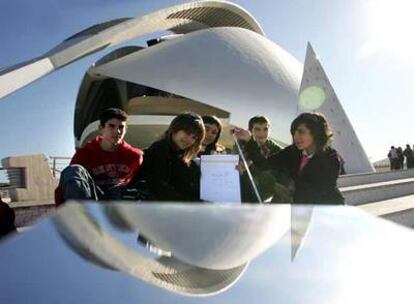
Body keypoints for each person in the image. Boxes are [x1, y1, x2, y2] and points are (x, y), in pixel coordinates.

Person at [233, 112, 344, 205]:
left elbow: (316, 190)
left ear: (315, 133)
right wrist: (250, 141)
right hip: (299, 208)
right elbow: (265, 164)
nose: (295, 137)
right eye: (294, 132)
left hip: (325, 209)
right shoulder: (293, 151)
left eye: (301, 132)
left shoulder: (331, 158)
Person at [56, 108, 143, 204]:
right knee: (73, 170)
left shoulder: (135, 155)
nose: (117, 131)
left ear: (125, 130)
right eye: (112, 126)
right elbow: (65, 186)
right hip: (93, 198)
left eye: (121, 127)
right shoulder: (84, 154)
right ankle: (81, 215)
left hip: (120, 198)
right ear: (101, 128)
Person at [138, 112, 205, 201]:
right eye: (187, 133)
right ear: (175, 128)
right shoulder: (156, 152)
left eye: (194, 137)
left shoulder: (185, 159)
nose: (189, 140)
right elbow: (158, 187)